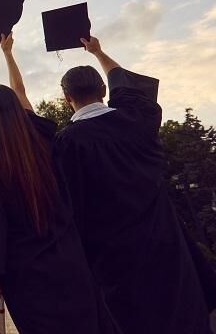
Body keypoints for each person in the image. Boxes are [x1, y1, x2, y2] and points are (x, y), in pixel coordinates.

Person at [0, 33, 118, 333]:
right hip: (69, 258)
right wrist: (8, 54)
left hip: (26, 273)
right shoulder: (46, 142)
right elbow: (19, 92)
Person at [54, 36, 210, 333]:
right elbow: (127, 86)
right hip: (167, 245)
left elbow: (72, 209)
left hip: (116, 260)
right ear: (103, 91)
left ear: (66, 98)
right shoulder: (138, 120)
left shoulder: (67, 143)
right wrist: (97, 52)